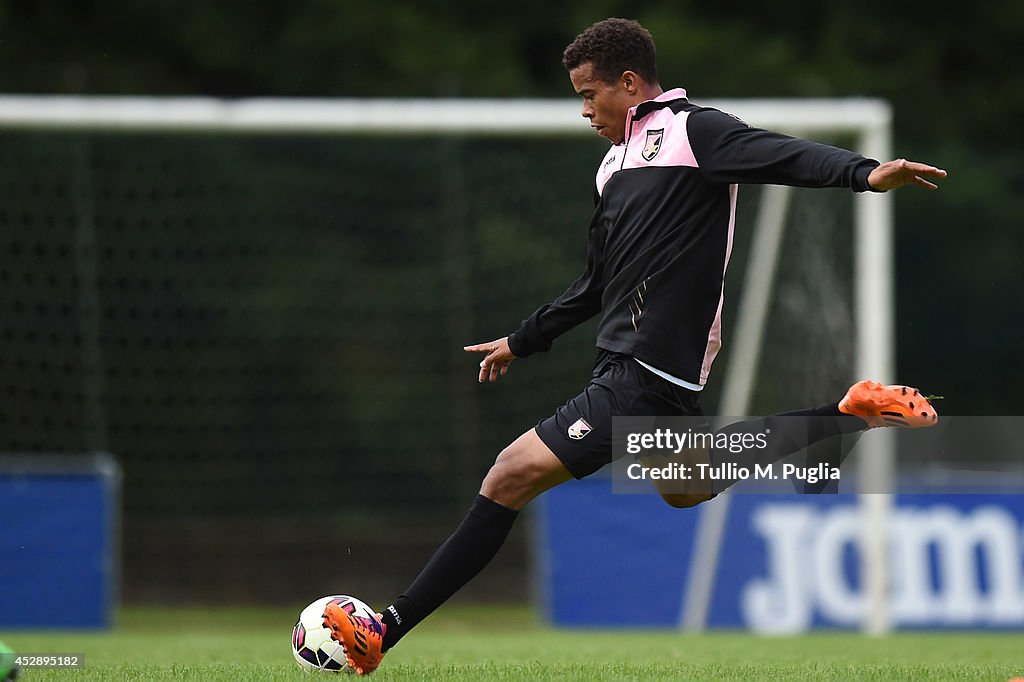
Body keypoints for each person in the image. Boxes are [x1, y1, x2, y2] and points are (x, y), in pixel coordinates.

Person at [323, 17, 947, 674]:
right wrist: (521, 339)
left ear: (629, 83)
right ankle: (849, 413)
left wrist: (866, 173)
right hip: (653, 374)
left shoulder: (694, 131)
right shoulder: (612, 167)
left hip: (644, 369)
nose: (586, 111)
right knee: (688, 488)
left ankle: (383, 632)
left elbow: (781, 152)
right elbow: (597, 281)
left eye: (590, 96)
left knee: (508, 475)